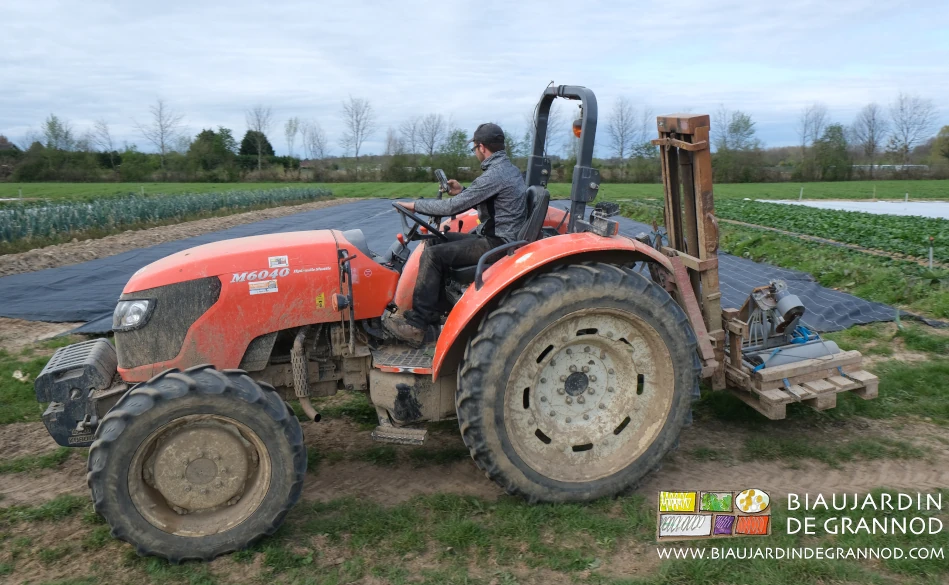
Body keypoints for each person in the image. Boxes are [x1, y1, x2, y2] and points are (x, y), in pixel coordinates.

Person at [383, 122, 527, 345]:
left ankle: (416, 326)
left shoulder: (495, 174)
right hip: (497, 236)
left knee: (433, 255)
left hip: (498, 243)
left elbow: (451, 207)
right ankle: (432, 318)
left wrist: (414, 206)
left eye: (475, 148)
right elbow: (491, 202)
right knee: (434, 241)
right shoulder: (507, 170)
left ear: (481, 147)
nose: (476, 152)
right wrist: (462, 191)